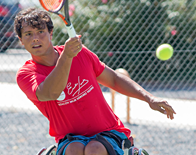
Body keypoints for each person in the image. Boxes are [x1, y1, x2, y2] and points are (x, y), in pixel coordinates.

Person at [14, 8, 176, 155]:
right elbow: (50, 92)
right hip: (70, 139)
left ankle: (127, 151)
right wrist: (67, 57)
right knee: (74, 149)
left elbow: (113, 79)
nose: (35, 38)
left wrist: (149, 98)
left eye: (40, 31)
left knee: (94, 149)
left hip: (109, 132)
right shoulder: (27, 74)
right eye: (28, 34)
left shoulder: (79, 53)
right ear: (21, 40)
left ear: (51, 33)